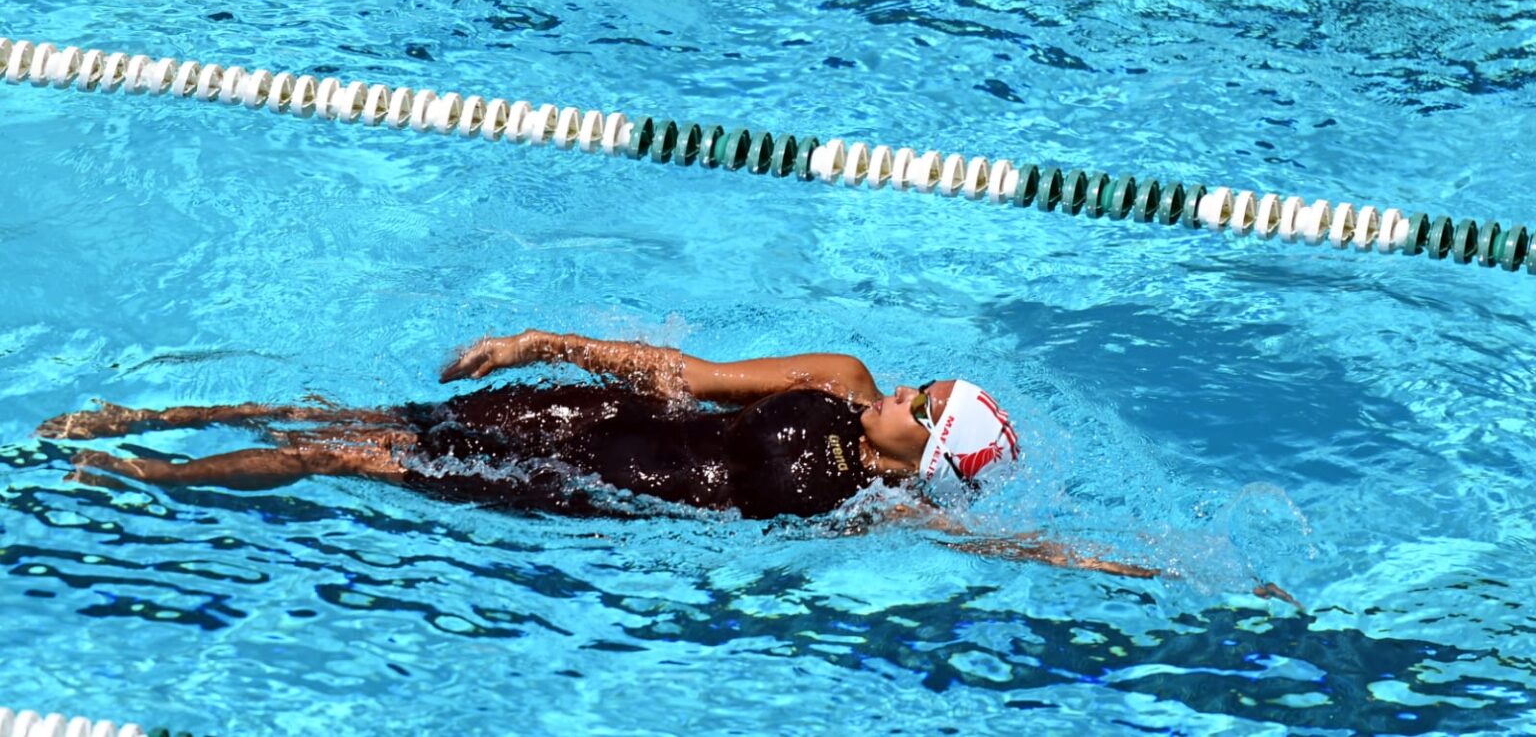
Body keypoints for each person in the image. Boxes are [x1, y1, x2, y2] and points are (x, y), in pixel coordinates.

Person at [37, 328, 1217, 586]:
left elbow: (1029, 549)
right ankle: (144, 422)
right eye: (927, 383)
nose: (908, 390)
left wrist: (1143, 569)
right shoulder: (842, 378)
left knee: (347, 459)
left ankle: (147, 480)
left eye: (928, 405)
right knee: (355, 411)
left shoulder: (884, 511)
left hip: (590, 492)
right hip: (584, 421)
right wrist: (544, 345)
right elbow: (682, 375)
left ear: (930, 456)